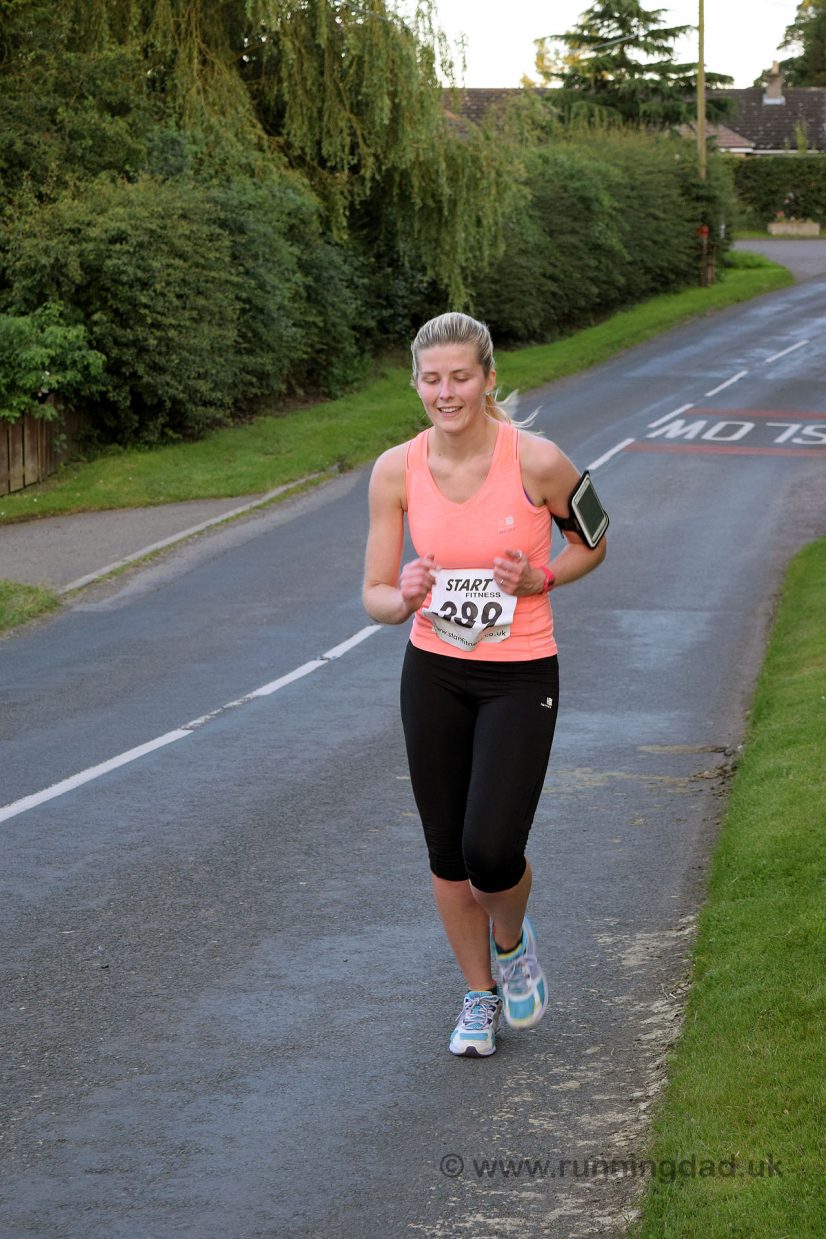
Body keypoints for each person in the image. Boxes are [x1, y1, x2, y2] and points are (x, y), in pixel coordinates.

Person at [362, 312, 606, 1058]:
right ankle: (478, 996)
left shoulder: (538, 461)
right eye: (432, 379)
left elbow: (593, 538)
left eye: (461, 376)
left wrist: (543, 577)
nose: (447, 391)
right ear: (416, 385)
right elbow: (373, 593)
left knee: (490, 850)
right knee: (447, 853)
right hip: (432, 669)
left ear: (488, 378)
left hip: (520, 673)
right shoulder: (394, 469)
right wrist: (400, 597)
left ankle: (511, 937)